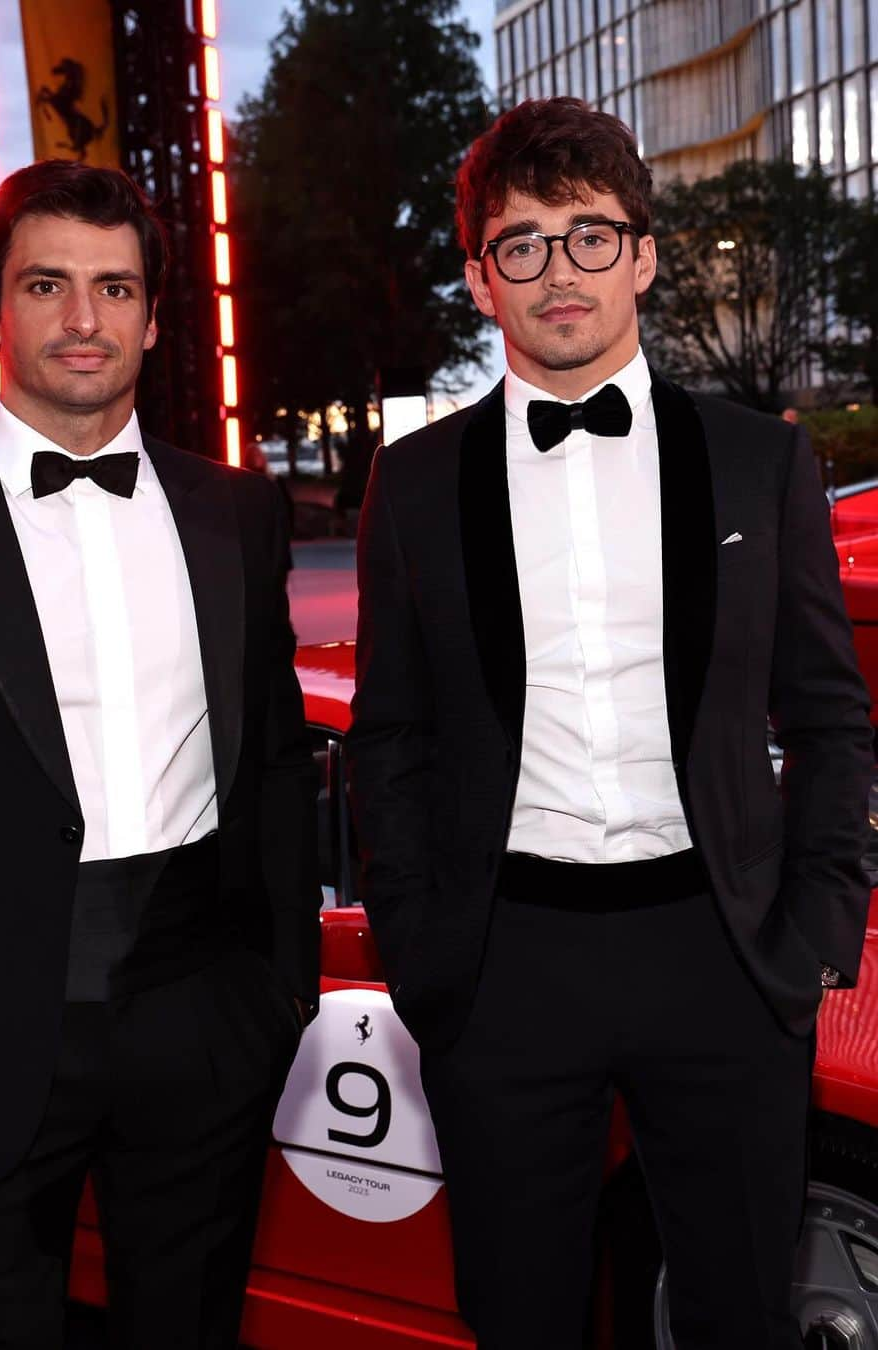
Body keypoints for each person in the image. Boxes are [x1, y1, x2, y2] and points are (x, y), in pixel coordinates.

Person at [347, 98, 872, 1349]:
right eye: (521, 244)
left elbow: (831, 710)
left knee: (740, 1317)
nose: (560, 272)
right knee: (519, 1317)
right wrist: (426, 953)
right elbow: (392, 733)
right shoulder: (414, 485)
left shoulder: (757, 460)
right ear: (482, 280)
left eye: (590, 236)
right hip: (503, 964)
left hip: (727, 956)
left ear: (643, 253)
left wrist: (815, 933)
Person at [0, 160, 320, 1350]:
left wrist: (281, 988)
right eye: (48, 284)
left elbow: (279, 760)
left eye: (115, 288)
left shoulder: (236, 511)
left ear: (149, 313)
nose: (85, 320)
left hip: (206, 1024)